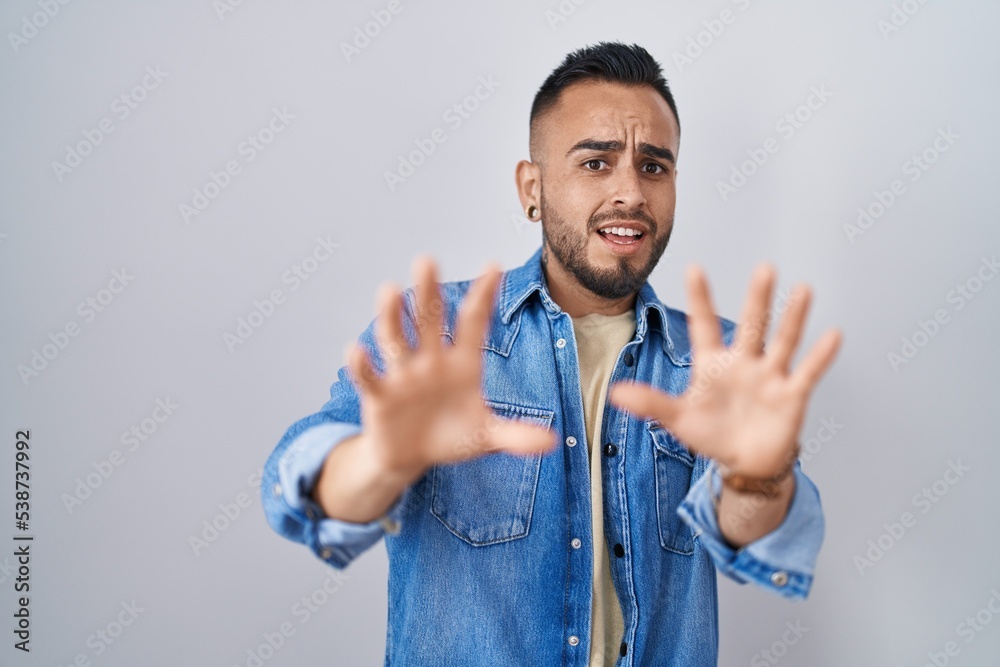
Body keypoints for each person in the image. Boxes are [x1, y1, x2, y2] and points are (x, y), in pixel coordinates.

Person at [261, 41, 842, 667]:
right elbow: (297, 488)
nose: (631, 194)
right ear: (531, 188)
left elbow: (757, 537)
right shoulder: (438, 334)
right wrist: (382, 457)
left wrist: (760, 474)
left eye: (654, 167)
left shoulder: (717, 361)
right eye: (596, 163)